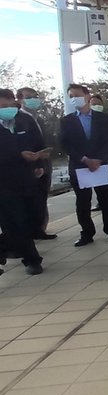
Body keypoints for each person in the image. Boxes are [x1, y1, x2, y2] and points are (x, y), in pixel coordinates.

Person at [59, 84, 108, 247]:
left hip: (101, 165)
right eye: (71, 95)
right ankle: (87, 233)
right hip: (80, 166)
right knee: (83, 202)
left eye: (76, 95)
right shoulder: (67, 121)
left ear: (86, 96)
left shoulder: (103, 118)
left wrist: (98, 159)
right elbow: (65, 144)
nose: (74, 98)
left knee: (106, 199)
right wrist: (85, 159)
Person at [0, 88, 45, 275]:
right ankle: (32, 260)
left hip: (28, 177)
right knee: (16, 221)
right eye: (2, 106)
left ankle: (5, 248)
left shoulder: (24, 120)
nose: (6, 108)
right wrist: (19, 155)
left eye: (8, 104)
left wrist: (39, 161)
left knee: (34, 218)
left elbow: (37, 142)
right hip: (4, 182)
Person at [15, 87, 56, 240]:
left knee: (42, 197)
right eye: (28, 97)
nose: (32, 100)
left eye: (34, 96)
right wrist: (35, 164)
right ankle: (32, 231)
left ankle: (40, 229)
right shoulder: (18, 119)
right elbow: (24, 145)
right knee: (33, 199)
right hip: (31, 165)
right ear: (20, 99)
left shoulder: (38, 118)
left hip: (45, 163)